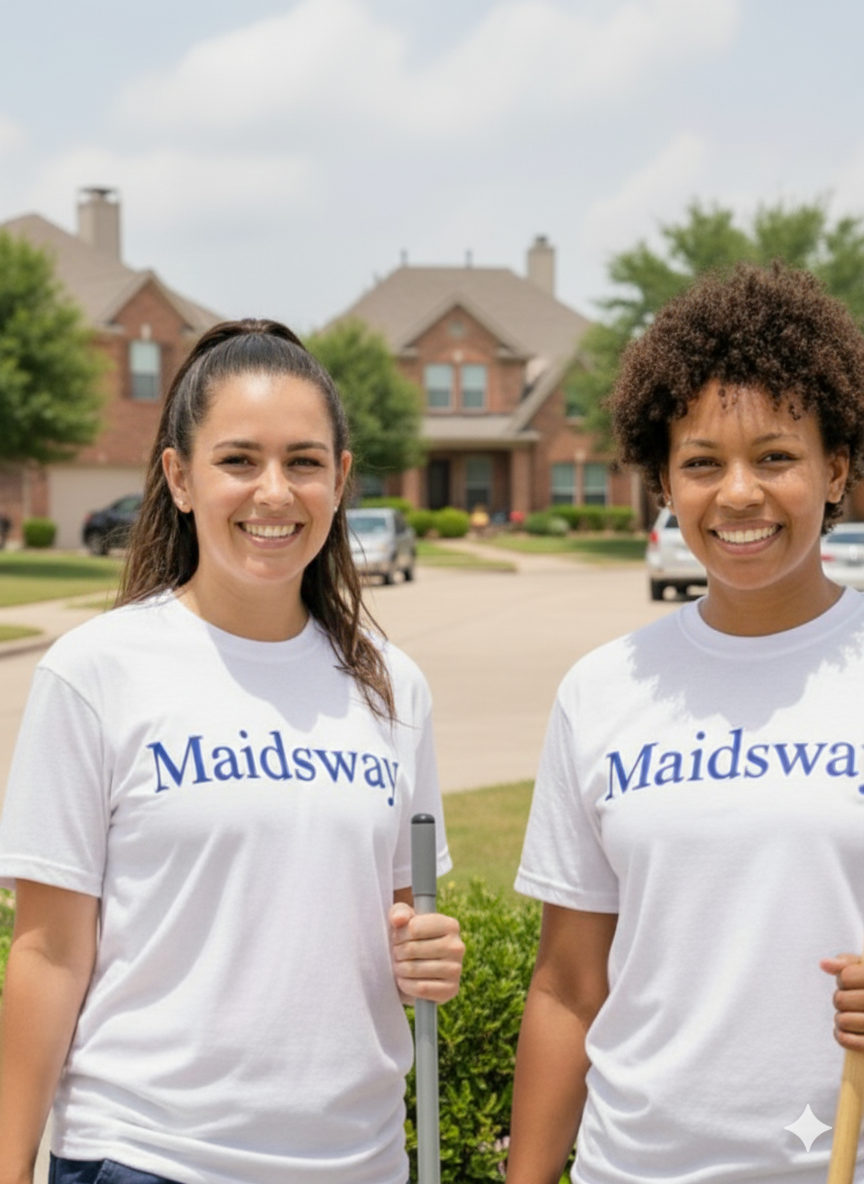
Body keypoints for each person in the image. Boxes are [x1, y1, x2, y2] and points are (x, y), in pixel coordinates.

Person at [0, 319, 464, 1184]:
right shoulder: (96, 673)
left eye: (304, 462)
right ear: (180, 476)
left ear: (342, 479)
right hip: (146, 1156)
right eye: (239, 460)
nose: (275, 492)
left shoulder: (392, 688)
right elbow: (48, 953)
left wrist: (429, 954)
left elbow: (404, 918)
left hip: (355, 1162)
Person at [507, 262, 864, 1184]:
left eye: (776, 457)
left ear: (836, 470)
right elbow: (568, 988)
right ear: (664, 482)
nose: (737, 493)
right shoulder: (602, 690)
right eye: (702, 462)